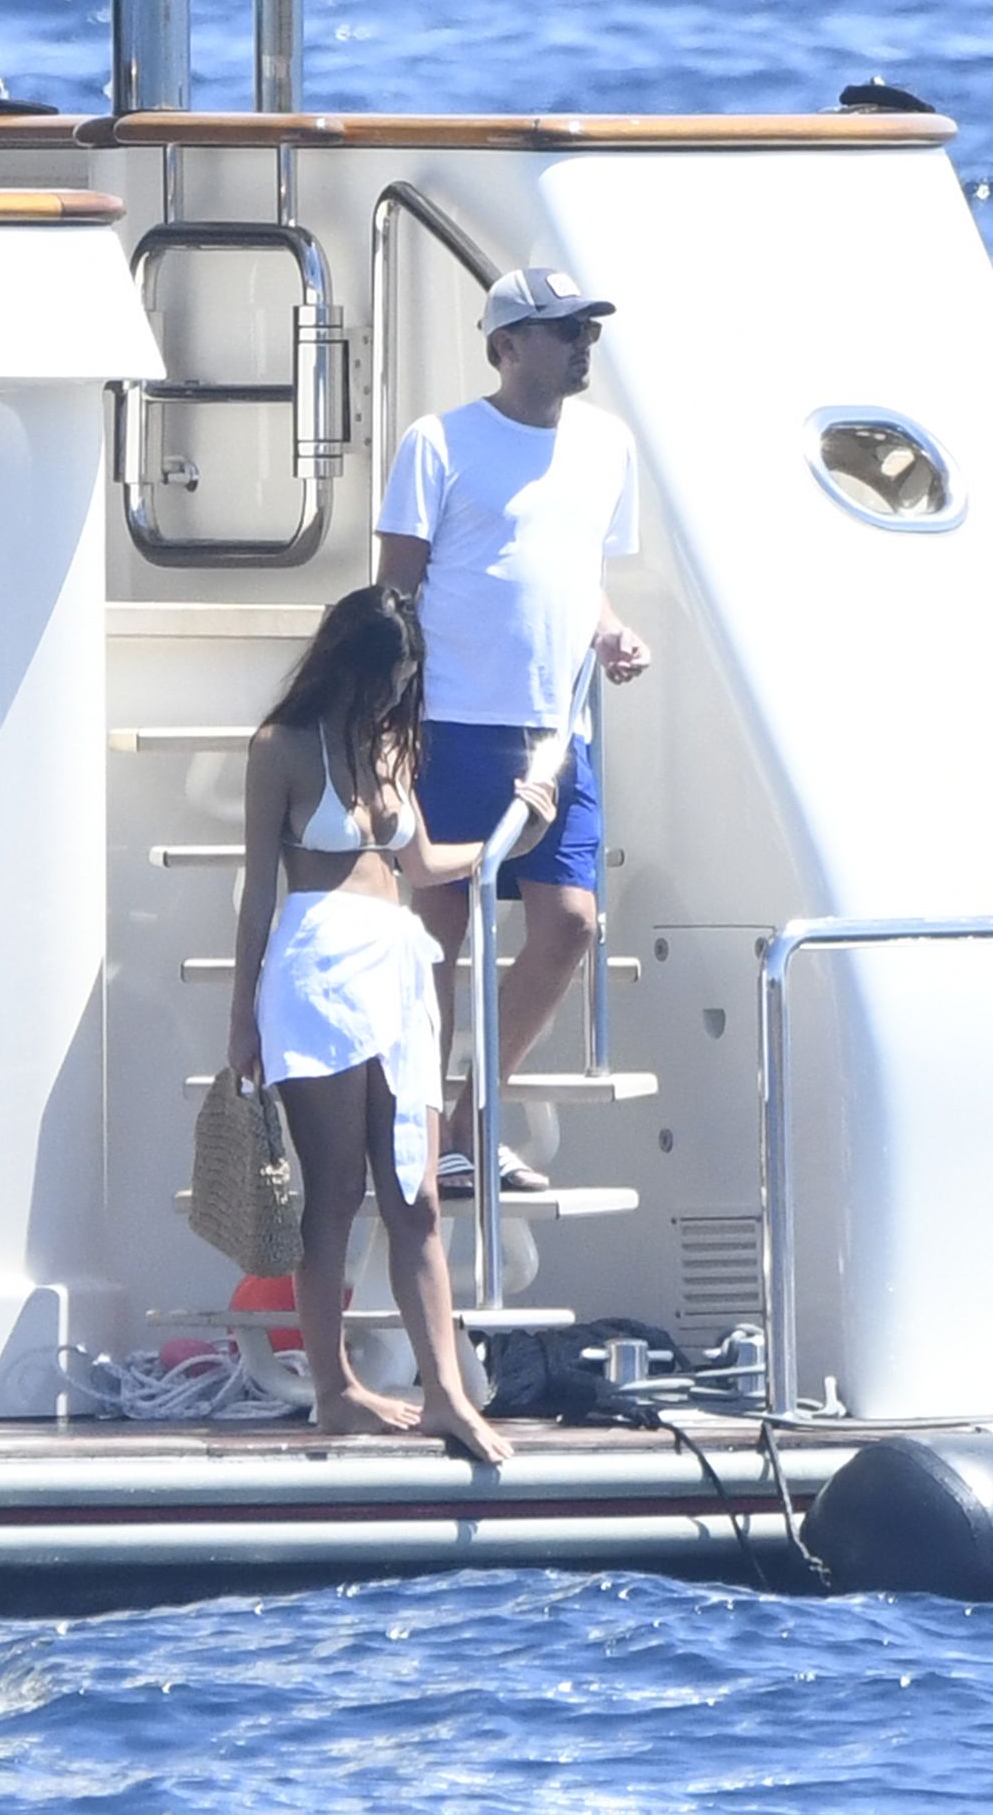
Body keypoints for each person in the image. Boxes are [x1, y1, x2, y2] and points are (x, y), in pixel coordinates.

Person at [228, 585, 555, 1464]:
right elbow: (258, 892)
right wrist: (240, 1019)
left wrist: (514, 840)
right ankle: (334, 1390)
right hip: (316, 970)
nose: (393, 696)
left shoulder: (392, 748)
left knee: (415, 1193)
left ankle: (443, 1392)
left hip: (397, 967)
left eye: (404, 681)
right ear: (345, 665)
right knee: (334, 1191)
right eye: (385, 679)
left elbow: (425, 863)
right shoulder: (279, 748)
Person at [375, 266, 651, 1194]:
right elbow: (394, 590)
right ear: (504, 345)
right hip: (450, 719)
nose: (581, 345)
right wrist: (383, 722)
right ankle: (425, 1142)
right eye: (563, 329)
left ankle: (470, 1122)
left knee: (569, 924)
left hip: (554, 734)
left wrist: (609, 632)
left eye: (587, 330)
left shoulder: (608, 444)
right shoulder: (437, 441)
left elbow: (578, 572)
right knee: (439, 931)